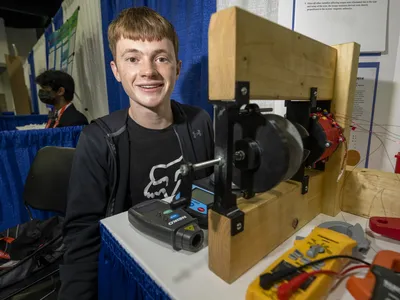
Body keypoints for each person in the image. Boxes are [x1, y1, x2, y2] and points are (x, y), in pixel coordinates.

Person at [58, 7, 214, 299]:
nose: (148, 71)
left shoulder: (200, 122)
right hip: (132, 275)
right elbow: (82, 236)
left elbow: (208, 194)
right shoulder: (99, 140)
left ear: (177, 67)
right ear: (116, 70)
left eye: (161, 58)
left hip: (191, 262)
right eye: (132, 58)